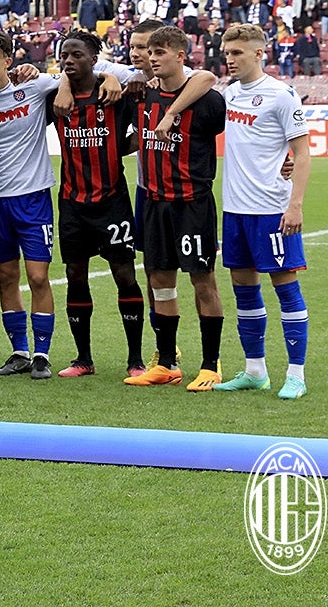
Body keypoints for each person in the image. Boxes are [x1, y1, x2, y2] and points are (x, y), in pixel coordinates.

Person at [212, 24, 312, 400]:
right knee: (244, 290)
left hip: (272, 210)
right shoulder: (230, 94)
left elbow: (302, 153)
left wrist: (295, 204)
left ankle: (296, 375)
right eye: (226, 52)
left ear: (258, 54)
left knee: (285, 288)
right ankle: (256, 371)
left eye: (237, 53)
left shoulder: (281, 96)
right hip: (235, 210)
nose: (229, 59)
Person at [125, 26, 227, 390]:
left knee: (203, 281)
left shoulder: (207, 101)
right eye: (149, 52)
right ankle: (167, 362)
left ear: (181, 56)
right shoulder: (140, 96)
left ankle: (211, 364)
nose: (152, 58)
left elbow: (210, 82)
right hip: (153, 204)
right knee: (160, 281)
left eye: (160, 52)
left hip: (191, 204)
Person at [45, 31, 146, 378]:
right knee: (75, 275)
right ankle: (83, 358)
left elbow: (143, 125)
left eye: (77, 55)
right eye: (64, 56)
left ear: (93, 59)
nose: (69, 61)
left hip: (112, 201)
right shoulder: (54, 100)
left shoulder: (115, 96)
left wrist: (119, 146)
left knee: (124, 275)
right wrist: (61, 83)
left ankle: (136, 360)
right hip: (72, 202)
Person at [0, 31, 60, 380]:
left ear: (8, 60)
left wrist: (111, 76)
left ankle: (42, 353)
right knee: (6, 276)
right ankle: (19, 351)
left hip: (33, 197)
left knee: (38, 277)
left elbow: (77, 73)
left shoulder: (35, 88)